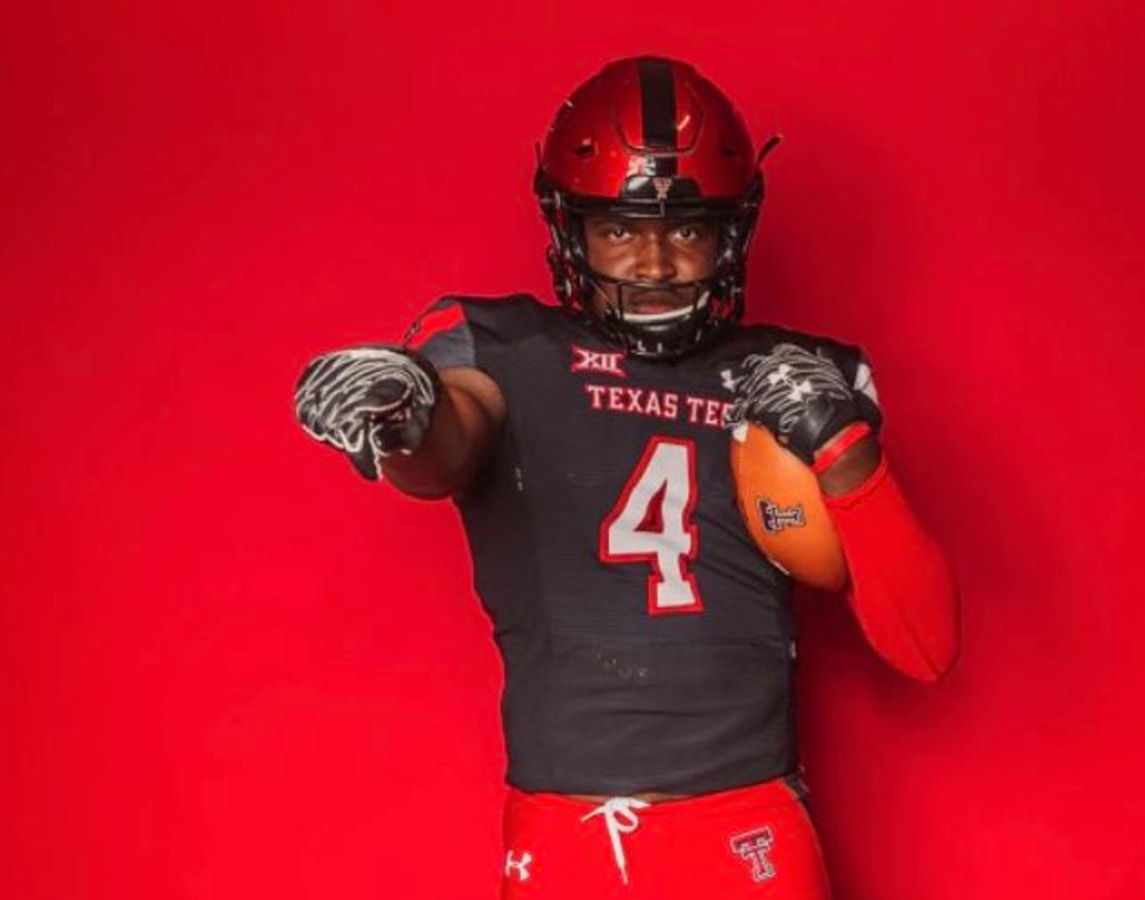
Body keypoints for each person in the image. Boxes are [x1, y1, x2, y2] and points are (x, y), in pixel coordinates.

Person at [294, 56, 959, 899]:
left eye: (686, 229)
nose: (653, 263)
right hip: (565, 833)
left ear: (732, 231)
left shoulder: (793, 372)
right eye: (618, 227)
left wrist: (844, 446)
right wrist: (408, 412)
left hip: (747, 827)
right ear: (570, 228)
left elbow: (927, 648)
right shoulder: (505, 349)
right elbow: (452, 446)